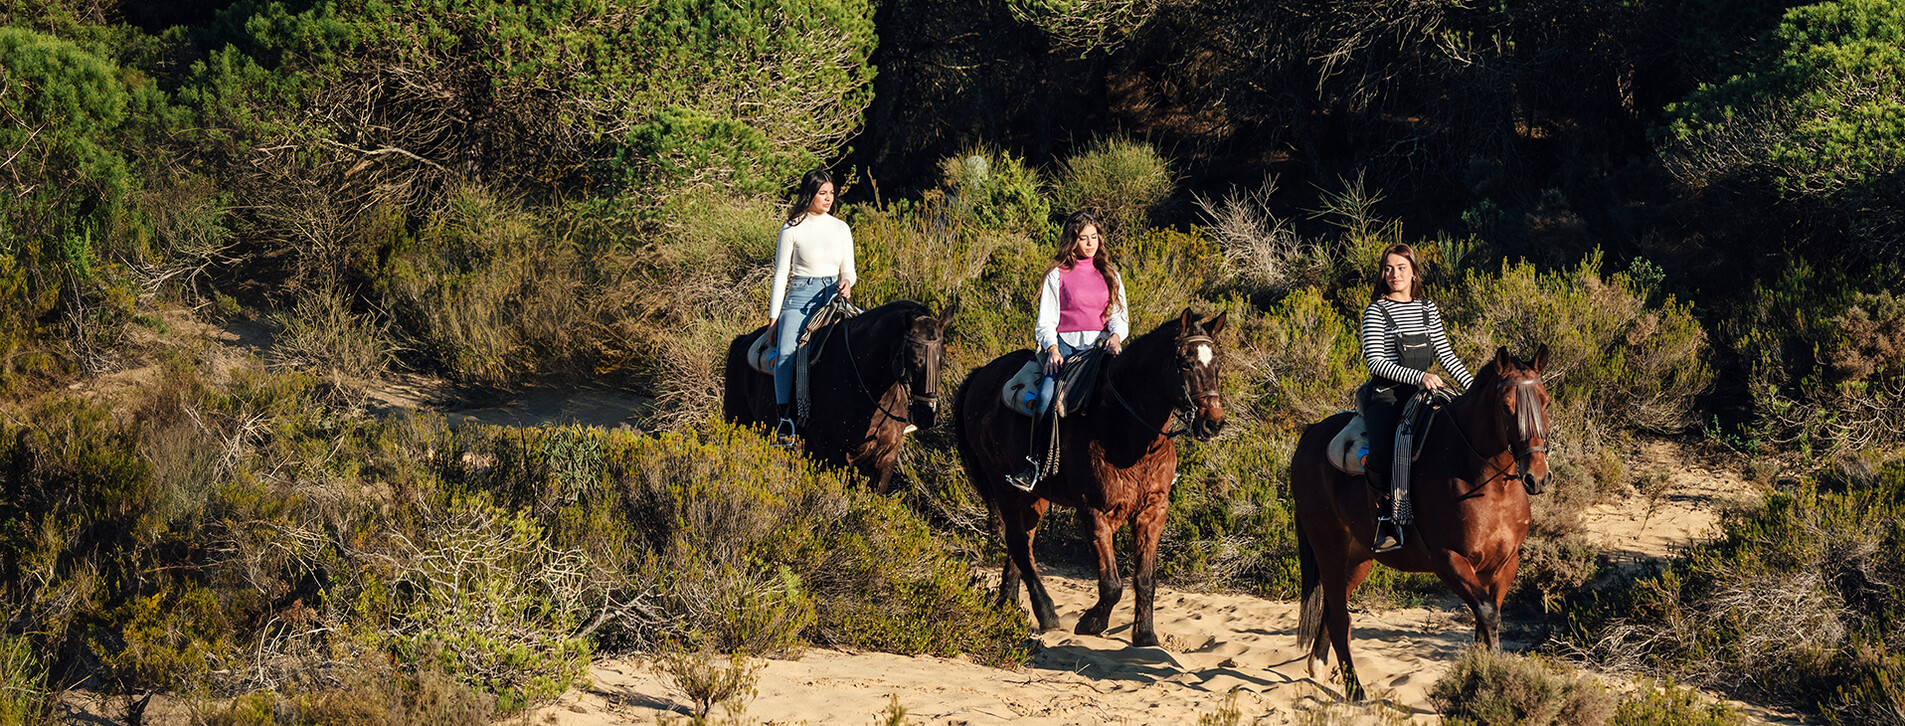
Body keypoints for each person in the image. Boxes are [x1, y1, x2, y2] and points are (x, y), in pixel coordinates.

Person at [1360, 243, 1472, 552]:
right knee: (1382, 450)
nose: (1394, 274)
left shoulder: (1427, 308)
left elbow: (1446, 355)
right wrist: (1418, 376)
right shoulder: (1376, 311)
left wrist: (1474, 391)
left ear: (1413, 273)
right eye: (1388, 269)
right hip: (1388, 395)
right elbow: (1376, 362)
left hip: (1425, 393)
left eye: (1401, 268)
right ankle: (1385, 517)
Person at [1006, 211, 1128, 491]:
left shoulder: (1110, 274)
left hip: (1101, 348)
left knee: (1133, 390)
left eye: (1094, 237)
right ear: (1071, 241)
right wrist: (1051, 349)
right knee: (1047, 397)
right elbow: (1046, 321)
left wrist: (1117, 336)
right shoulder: (1056, 275)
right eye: (1083, 238)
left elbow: (1119, 317)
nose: (1090, 243)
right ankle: (1034, 463)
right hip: (1064, 349)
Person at [766, 168, 856, 443]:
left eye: (831, 193)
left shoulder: (841, 227)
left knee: (871, 335)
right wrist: (774, 318)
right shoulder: (793, 227)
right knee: (785, 354)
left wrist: (848, 283)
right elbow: (781, 274)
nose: (828, 199)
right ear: (810, 194)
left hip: (833, 296)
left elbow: (849, 270)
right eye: (822, 193)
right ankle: (785, 419)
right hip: (800, 298)